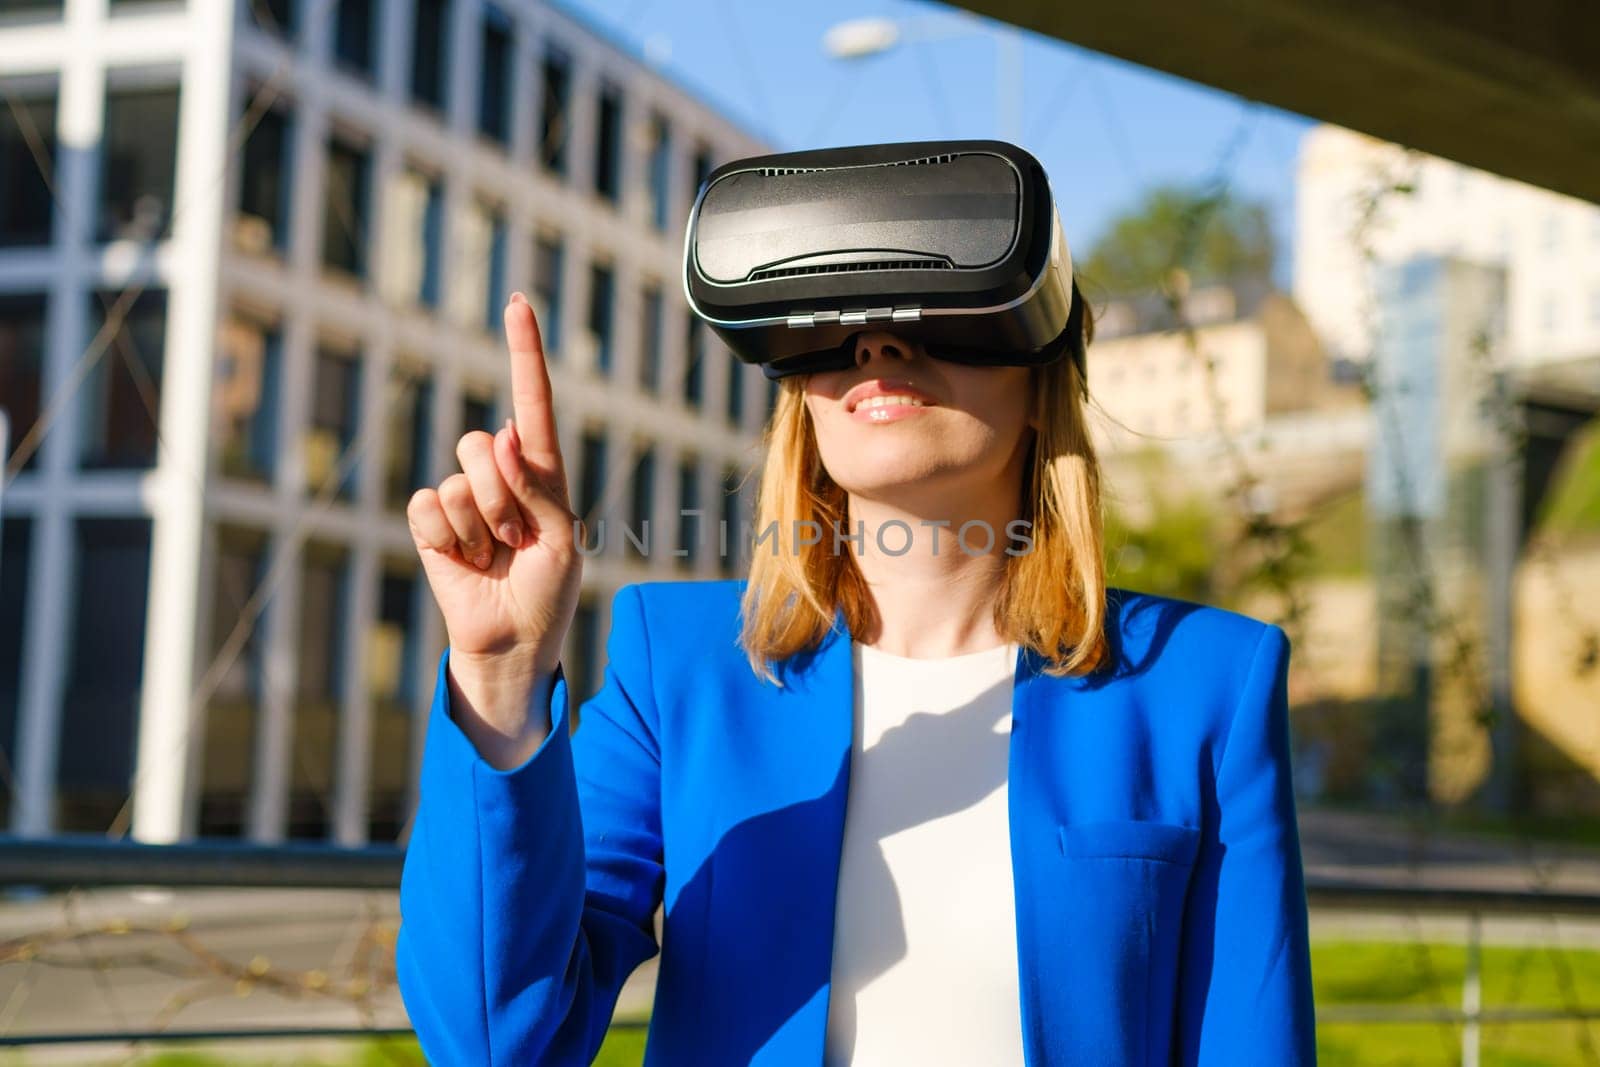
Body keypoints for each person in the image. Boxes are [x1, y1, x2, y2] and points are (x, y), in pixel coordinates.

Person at [395, 284, 1317, 1064]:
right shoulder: (679, 663)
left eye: (947, 299)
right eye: (835, 318)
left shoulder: (1204, 682)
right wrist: (503, 676)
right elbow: (494, 1040)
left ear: (1043, 375)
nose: (879, 338)